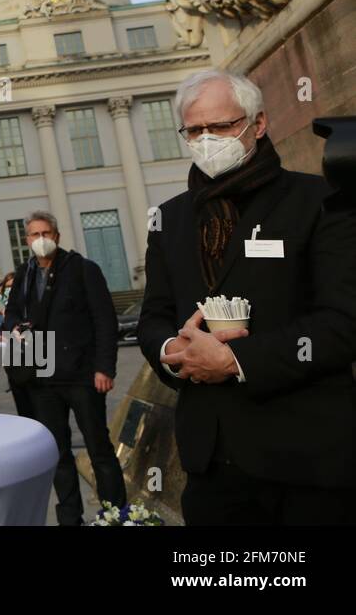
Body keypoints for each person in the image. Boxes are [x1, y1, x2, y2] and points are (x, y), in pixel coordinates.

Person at [138, 68, 356, 525]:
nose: (207, 139)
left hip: (304, 457)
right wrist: (172, 349)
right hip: (212, 458)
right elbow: (154, 314)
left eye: (221, 126)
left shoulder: (319, 201)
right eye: (194, 129)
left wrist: (238, 361)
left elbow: (342, 321)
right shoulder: (169, 219)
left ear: (257, 124)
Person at [1, 210, 125, 525]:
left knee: (99, 448)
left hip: (83, 375)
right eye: (34, 235)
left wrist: (104, 368)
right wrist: (16, 326)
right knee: (57, 453)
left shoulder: (83, 269)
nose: (40, 240)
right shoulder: (24, 275)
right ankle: (70, 517)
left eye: (45, 233)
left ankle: (115, 515)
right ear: (26, 240)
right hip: (43, 377)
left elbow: (104, 320)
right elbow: (12, 313)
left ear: (56, 236)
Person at [0, 271, 35, 418]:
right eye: (6, 287)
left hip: (33, 368)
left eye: (12, 286)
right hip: (15, 370)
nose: (9, 291)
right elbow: (4, 333)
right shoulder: (7, 312)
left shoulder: (29, 307)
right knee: (24, 411)